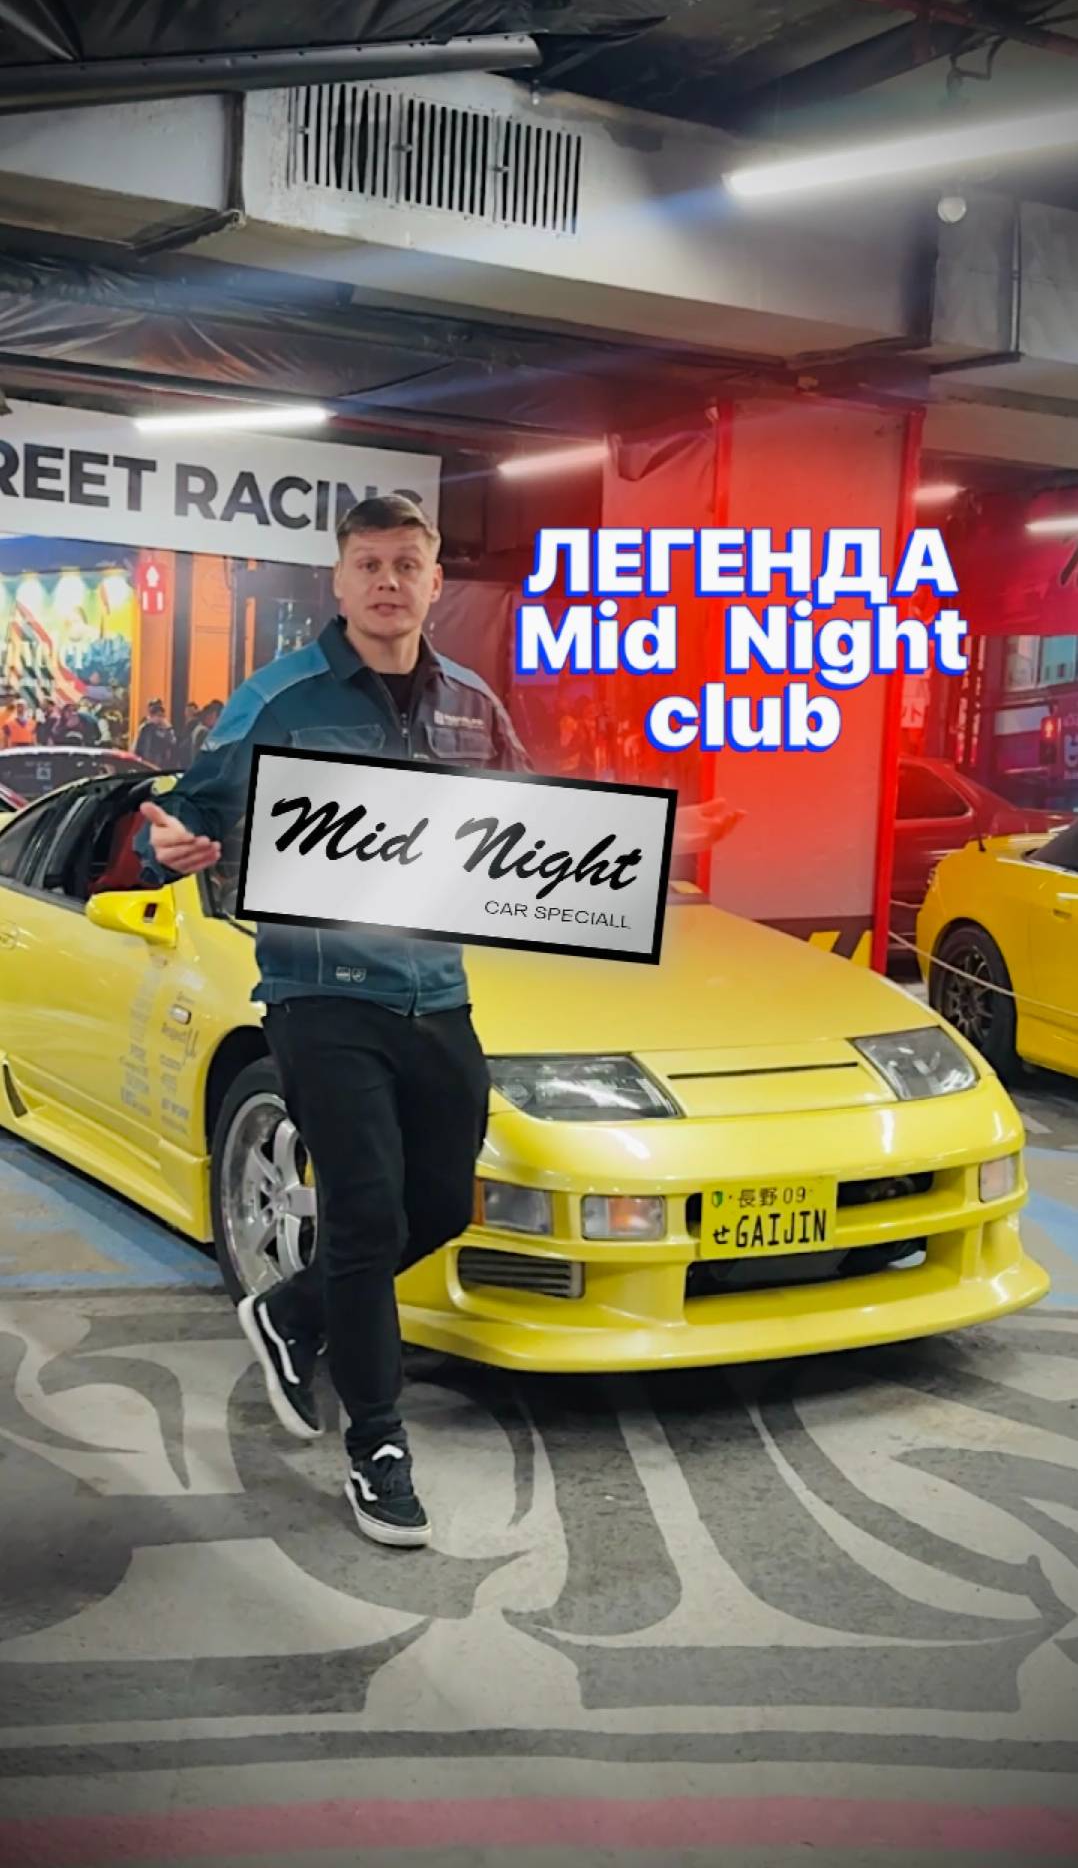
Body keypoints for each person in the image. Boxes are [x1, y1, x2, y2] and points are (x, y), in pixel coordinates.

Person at [136, 493, 741, 1551]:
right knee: (366, 1218)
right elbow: (185, 814)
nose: (387, 581)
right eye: (368, 563)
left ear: (433, 581)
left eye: (405, 564)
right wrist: (171, 844)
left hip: (437, 996)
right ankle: (377, 1445)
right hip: (321, 994)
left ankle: (292, 1312)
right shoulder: (278, 699)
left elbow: (528, 832)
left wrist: (642, 849)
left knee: (441, 1205)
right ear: (339, 579)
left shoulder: (470, 702)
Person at [133, 699, 178, 767]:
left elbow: (172, 742)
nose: (161, 718)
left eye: (163, 716)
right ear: (152, 716)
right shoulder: (145, 728)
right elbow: (137, 746)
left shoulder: (165, 729)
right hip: (146, 762)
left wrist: (169, 728)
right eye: (159, 716)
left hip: (160, 764)